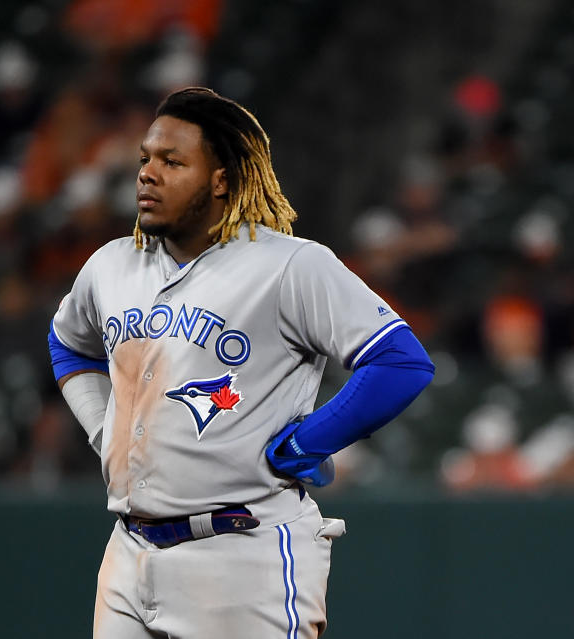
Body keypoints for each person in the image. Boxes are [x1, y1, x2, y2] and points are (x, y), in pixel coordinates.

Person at [48, 87, 434, 638]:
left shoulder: (289, 265)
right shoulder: (112, 265)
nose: (147, 174)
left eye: (172, 162)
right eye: (145, 159)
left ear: (223, 179)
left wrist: (309, 440)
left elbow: (401, 362)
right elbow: (68, 343)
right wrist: (101, 429)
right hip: (127, 553)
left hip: (242, 554)